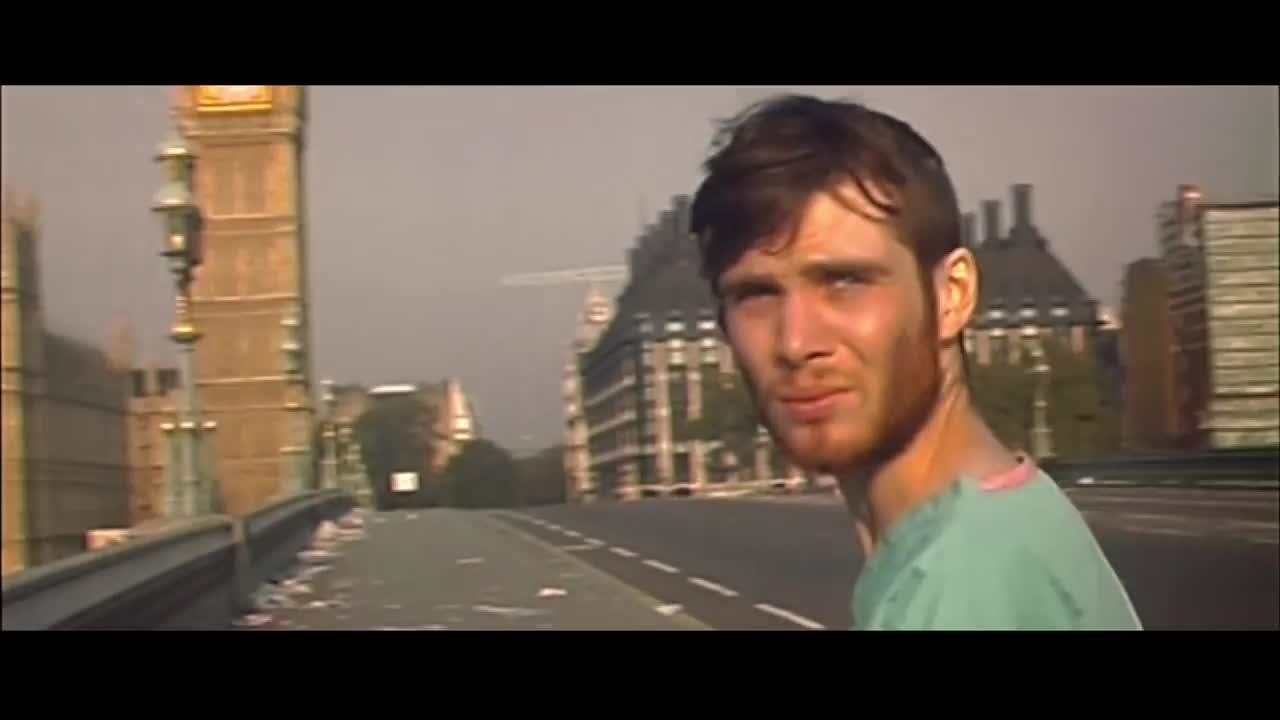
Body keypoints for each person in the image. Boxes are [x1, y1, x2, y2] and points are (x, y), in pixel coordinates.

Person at [688, 94, 1141, 630]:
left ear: (953, 295)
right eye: (755, 295)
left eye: (845, 281)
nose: (795, 342)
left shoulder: (957, 589)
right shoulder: (1007, 516)